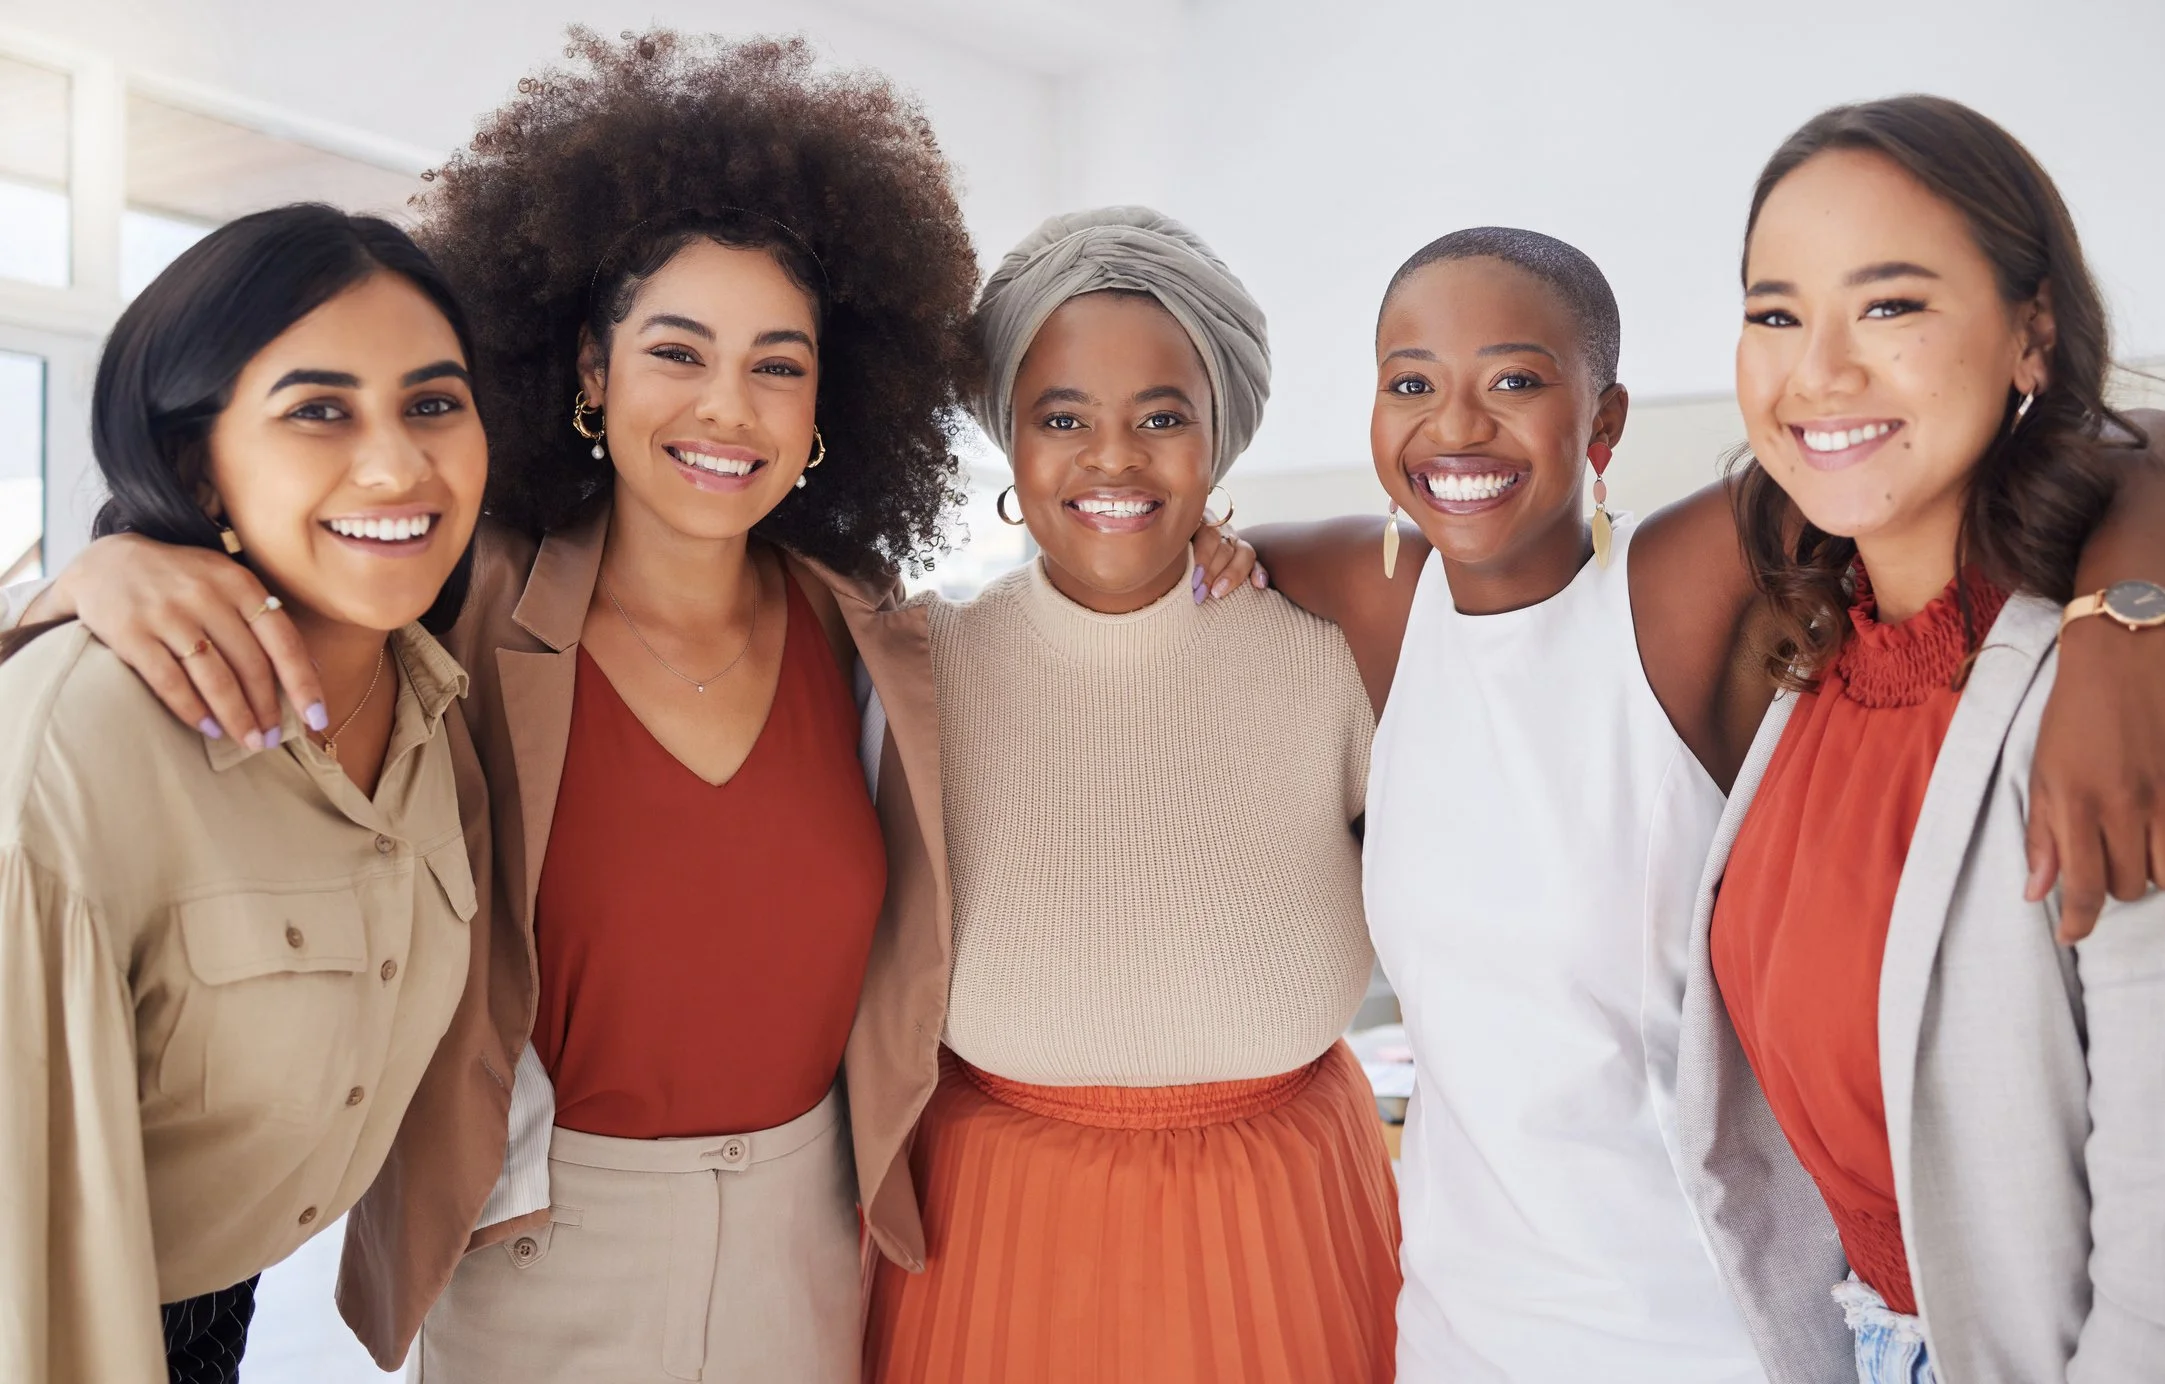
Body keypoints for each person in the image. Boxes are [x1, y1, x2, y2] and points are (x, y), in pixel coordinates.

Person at [6, 35, 1259, 1381]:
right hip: (544, 1245)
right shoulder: (459, 597)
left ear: (827, 401)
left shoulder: (877, 636)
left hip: (814, 1241)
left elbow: (1078, 631)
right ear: (589, 375)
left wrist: (1243, 556)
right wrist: (110, 563)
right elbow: (291, 567)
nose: (730, 404)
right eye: (678, 350)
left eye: (779, 363)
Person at [1250, 222, 2165, 1376]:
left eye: (1515, 381)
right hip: (1454, 1337)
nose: (1454, 426)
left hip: (1699, 1336)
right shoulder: (1374, 595)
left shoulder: (1676, 586)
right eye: (1410, 384)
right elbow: (1164, 540)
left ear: (1604, 421)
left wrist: (2123, 632)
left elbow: (2111, 446)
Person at [862, 207, 1397, 1384]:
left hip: (1287, 1220)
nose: (1112, 458)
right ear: (1008, 434)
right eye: (1062, 419)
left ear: (1219, 441)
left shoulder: (1326, 652)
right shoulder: (919, 667)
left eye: (1162, 417)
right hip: (993, 1227)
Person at [1677, 94, 2165, 1384]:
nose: (1819, 372)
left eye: (1888, 305)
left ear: (2029, 338)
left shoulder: (2100, 697)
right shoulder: (1811, 662)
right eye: (1773, 313)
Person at [0, 204, 488, 1384]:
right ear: (190, 460)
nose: (397, 463)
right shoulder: (84, 743)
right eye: (319, 410)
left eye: (433, 402)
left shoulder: (432, 696)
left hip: (222, 1310)